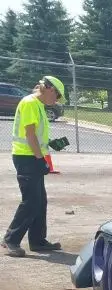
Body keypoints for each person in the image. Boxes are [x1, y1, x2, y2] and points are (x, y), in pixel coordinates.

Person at [2, 75, 66, 257]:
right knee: (31, 201)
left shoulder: (38, 105)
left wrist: (50, 145)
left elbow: (36, 136)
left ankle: (37, 241)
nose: (57, 100)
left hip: (32, 156)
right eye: (57, 95)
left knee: (40, 200)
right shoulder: (30, 103)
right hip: (26, 158)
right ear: (48, 89)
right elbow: (29, 135)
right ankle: (10, 239)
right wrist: (40, 159)